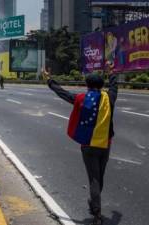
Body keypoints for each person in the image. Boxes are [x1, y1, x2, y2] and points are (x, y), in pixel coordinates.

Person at [42, 67, 118, 225]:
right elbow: (114, 86)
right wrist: (112, 73)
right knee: (99, 178)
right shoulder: (109, 98)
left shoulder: (82, 98)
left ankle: (96, 213)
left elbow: (63, 93)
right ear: (101, 85)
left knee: (94, 179)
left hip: (88, 145)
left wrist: (49, 80)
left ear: (87, 85)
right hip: (105, 145)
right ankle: (95, 203)